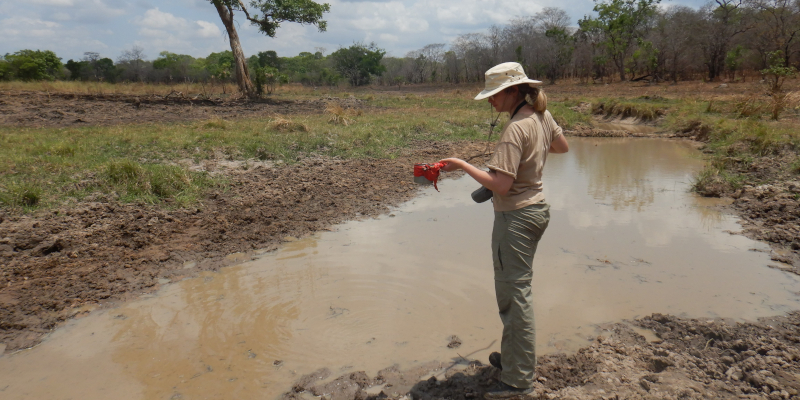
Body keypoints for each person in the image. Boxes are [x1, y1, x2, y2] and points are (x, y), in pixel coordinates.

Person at [439, 62, 569, 398]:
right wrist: (530, 158)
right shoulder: (540, 115)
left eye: (495, 94)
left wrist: (460, 164)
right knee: (517, 292)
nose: (490, 101)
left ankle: (517, 380)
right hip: (538, 210)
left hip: (516, 218)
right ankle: (513, 361)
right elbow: (561, 147)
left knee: (514, 298)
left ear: (513, 91)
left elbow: (500, 184)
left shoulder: (516, 129)